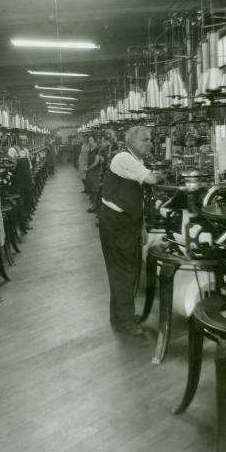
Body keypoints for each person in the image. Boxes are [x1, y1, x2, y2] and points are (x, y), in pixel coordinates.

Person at [98, 125, 166, 335]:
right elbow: (152, 179)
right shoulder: (123, 159)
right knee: (124, 272)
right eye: (145, 140)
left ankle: (119, 317)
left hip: (127, 222)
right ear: (131, 143)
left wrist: (142, 226)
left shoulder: (137, 162)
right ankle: (125, 321)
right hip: (116, 223)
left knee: (126, 270)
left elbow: (138, 198)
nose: (150, 143)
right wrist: (171, 171)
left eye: (150, 139)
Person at [7, 134, 33, 232]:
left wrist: (32, 179)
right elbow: (12, 167)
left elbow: (29, 166)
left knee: (28, 198)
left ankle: (26, 220)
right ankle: (22, 224)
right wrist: (14, 161)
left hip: (27, 179)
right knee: (20, 201)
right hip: (18, 181)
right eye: (21, 140)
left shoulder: (26, 151)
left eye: (25, 140)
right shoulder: (12, 150)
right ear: (17, 140)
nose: (23, 142)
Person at [84, 136, 101, 213]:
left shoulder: (97, 150)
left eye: (92, 140)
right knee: (91, 189)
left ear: (95, 142)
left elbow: (96, 162)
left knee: (94, 190)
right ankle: (92, 205)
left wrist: (89, 168)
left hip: (94, 172)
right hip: (89, 172)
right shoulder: (90, 150)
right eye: (89, 140)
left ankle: (94, 207)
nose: (90, 142)